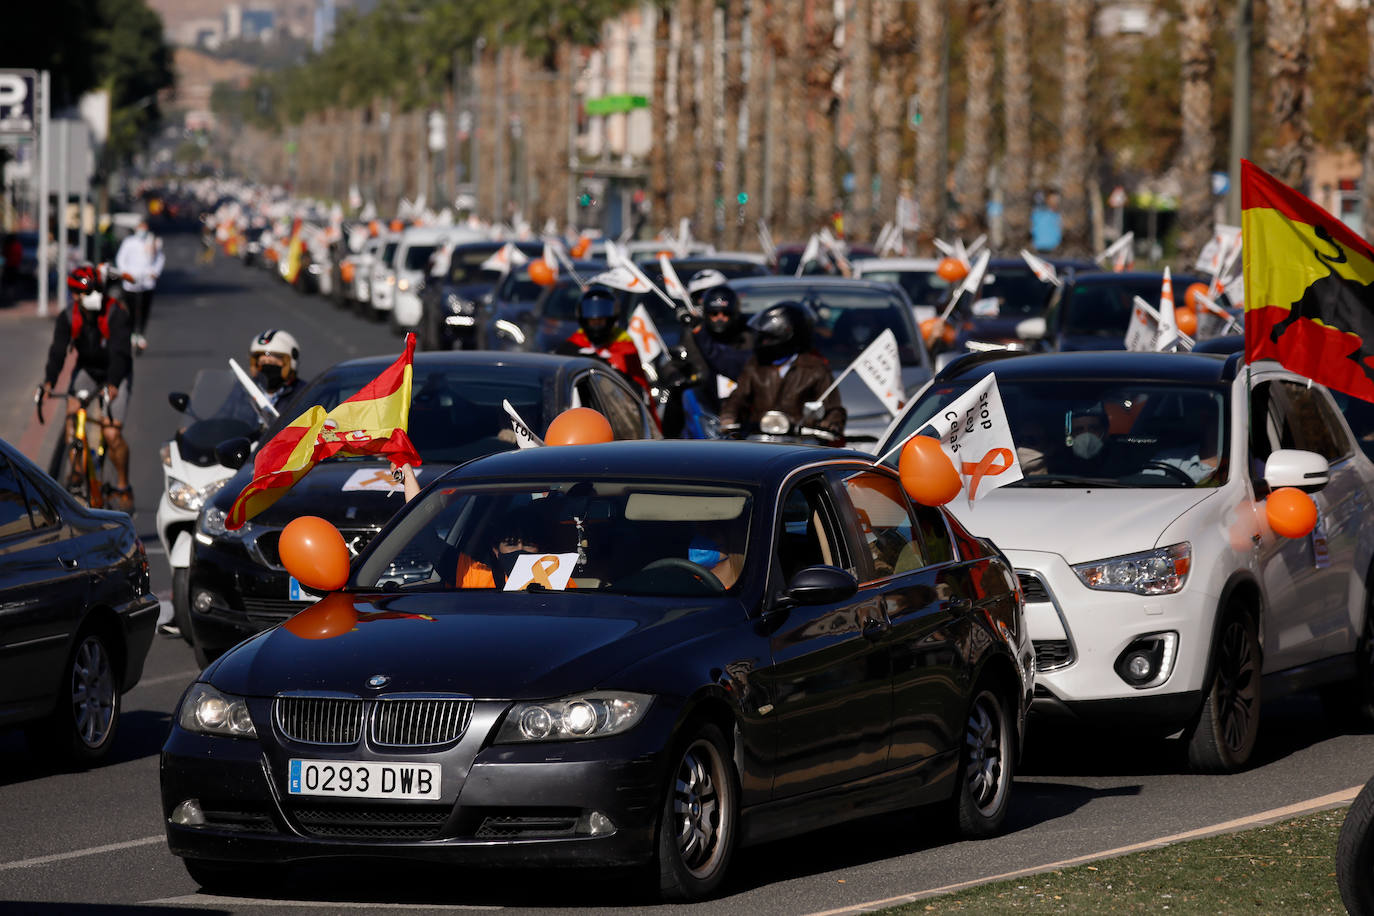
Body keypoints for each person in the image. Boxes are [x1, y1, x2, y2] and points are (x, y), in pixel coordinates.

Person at [39, 265, 134, 510]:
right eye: (87, 292)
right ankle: (78, 474)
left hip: (116, 372)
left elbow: (120, 353)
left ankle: (123, 486)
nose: (95, 296)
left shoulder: (116, 313)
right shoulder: (68, 317)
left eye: (96, 290)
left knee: (112, 434)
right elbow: (58, 351)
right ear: (75, 295)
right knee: (72, 412)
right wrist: (49, 382)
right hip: (88, 370)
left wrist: (112, 384)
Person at [718, 301, 846, 439]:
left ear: (788, 334)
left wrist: (831, 423)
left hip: (801, 442)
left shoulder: (815, 368)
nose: (763, 342)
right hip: (760, 439)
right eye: (762, 337)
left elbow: (833, 408)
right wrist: (728, 416)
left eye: (768, 337)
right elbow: (738, 397)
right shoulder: (756, 364)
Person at [555, 285, 651, 397]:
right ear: (584, 321)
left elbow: (637, 390)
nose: (596, 325)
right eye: (592, 321)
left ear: (611, 320)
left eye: (601, 321)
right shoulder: (570, 348)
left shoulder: (625, 348)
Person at [115, 219, 164, 353]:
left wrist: (154, 272)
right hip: (131, 282)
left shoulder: (153, 242)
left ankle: (141, 334)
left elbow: (159, 258)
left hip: (147, 282)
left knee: (144, 310)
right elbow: (120, 259)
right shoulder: (129, 242)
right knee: (131, 310)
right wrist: (125, 273)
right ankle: (132, 334)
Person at [248, 329, 308, 409]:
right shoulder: (245, 389)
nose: (267, 367)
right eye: (262, 362)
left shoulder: (305, 395)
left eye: (273, 362)